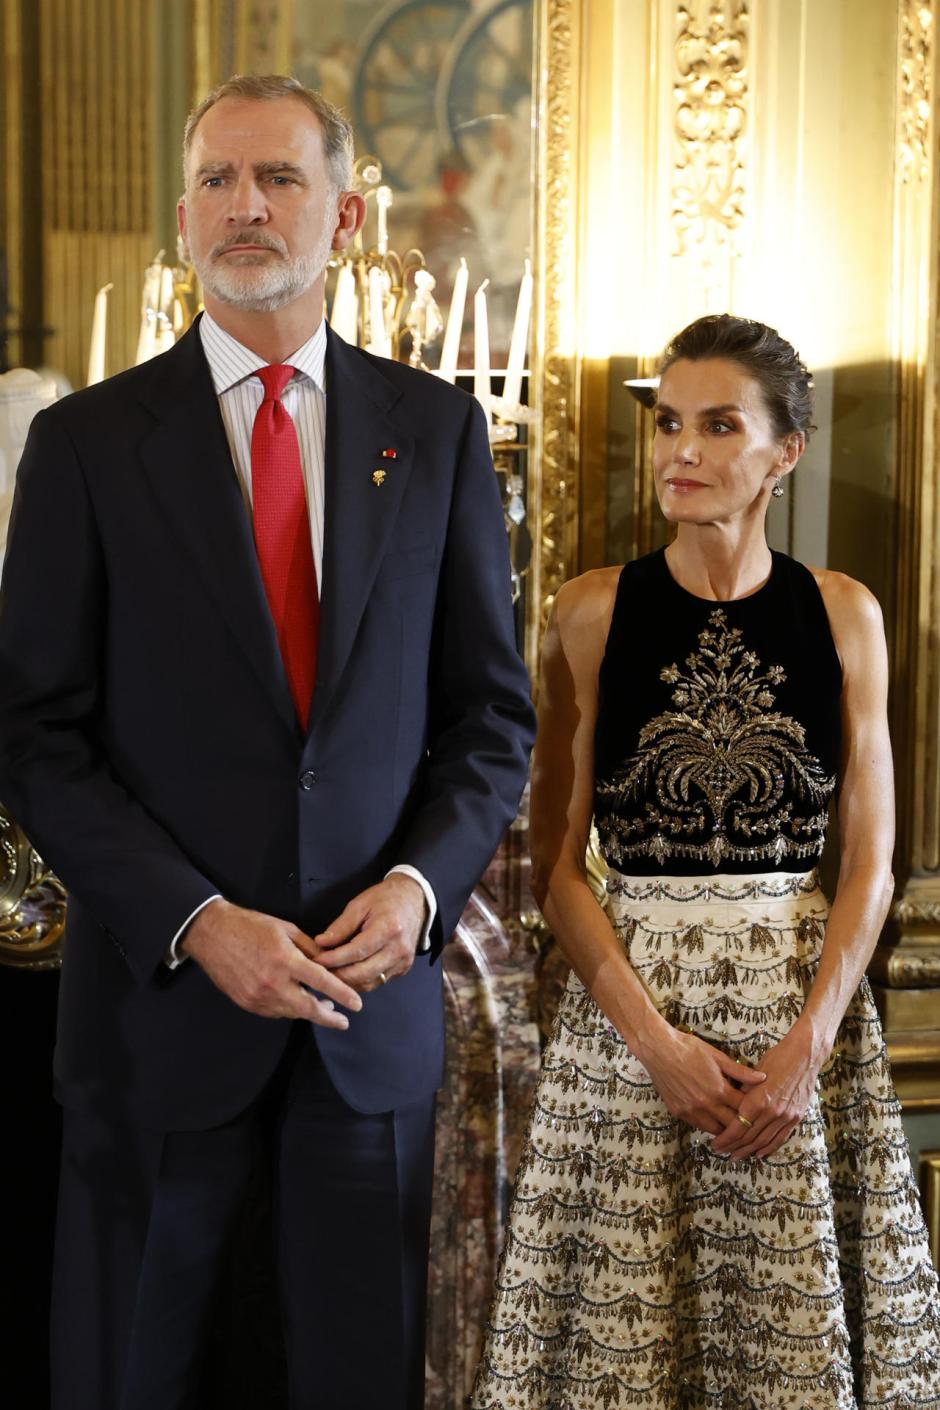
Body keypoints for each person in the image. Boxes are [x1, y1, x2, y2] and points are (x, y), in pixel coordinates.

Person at [0, 74, 534, 1410]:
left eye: (281, 179)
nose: (247, 205)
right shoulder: (82, 446)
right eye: (220, 182)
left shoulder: (440, 432)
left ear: (347, 213)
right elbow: (37, 734)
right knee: (132, 1376)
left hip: (368, 1027)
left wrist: (416, 892)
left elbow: (491, 719)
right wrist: (195, 918)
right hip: (159, 1022)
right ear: (183, 218)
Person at [472, 314, 940, 1408]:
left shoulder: (844, 615)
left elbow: (868, 857)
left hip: (796, 1022)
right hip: (630, 1034)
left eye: (717, 425)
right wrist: (656, 1047)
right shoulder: (588, 612)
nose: (679, 449)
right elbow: (553, 867)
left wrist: (808, 1046)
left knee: (781, 1355)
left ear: (786, 451)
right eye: (669, 422)